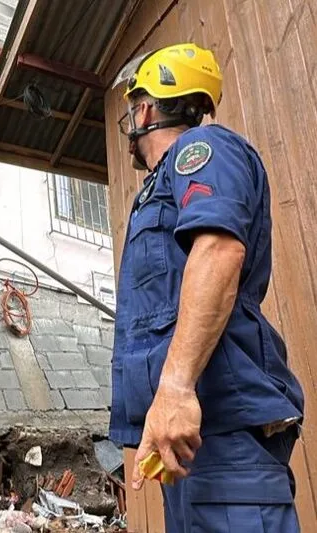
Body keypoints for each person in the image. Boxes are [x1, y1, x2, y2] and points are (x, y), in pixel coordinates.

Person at [109, 43, 306, 532]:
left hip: (222, 443)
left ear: (147, 108)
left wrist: (174, 388)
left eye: (133, 108)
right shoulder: (156, 190)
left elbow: (219, 250)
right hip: (190, 448)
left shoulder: (204, 151)